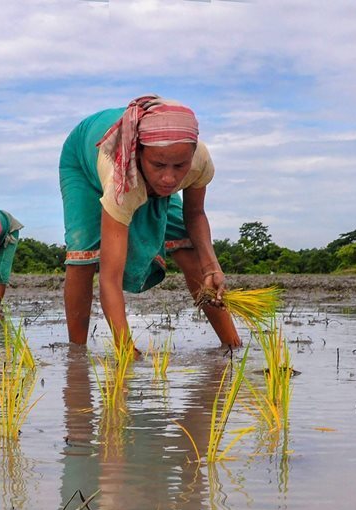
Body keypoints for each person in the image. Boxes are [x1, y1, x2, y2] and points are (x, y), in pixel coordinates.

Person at [59, 95, 240, 350]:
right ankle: (76, 355)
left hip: (143, 175)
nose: (169, 178)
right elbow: (110, 279)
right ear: (139, 152)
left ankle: (232, 345)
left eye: (180, 166)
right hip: (82, 160)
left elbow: (195, 214)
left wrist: (212, 266)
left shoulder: (199, 162)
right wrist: (127, 356)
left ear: (191, 155)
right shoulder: (120, 179)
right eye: (159, 165)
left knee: (189, 248)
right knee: (83, 253)